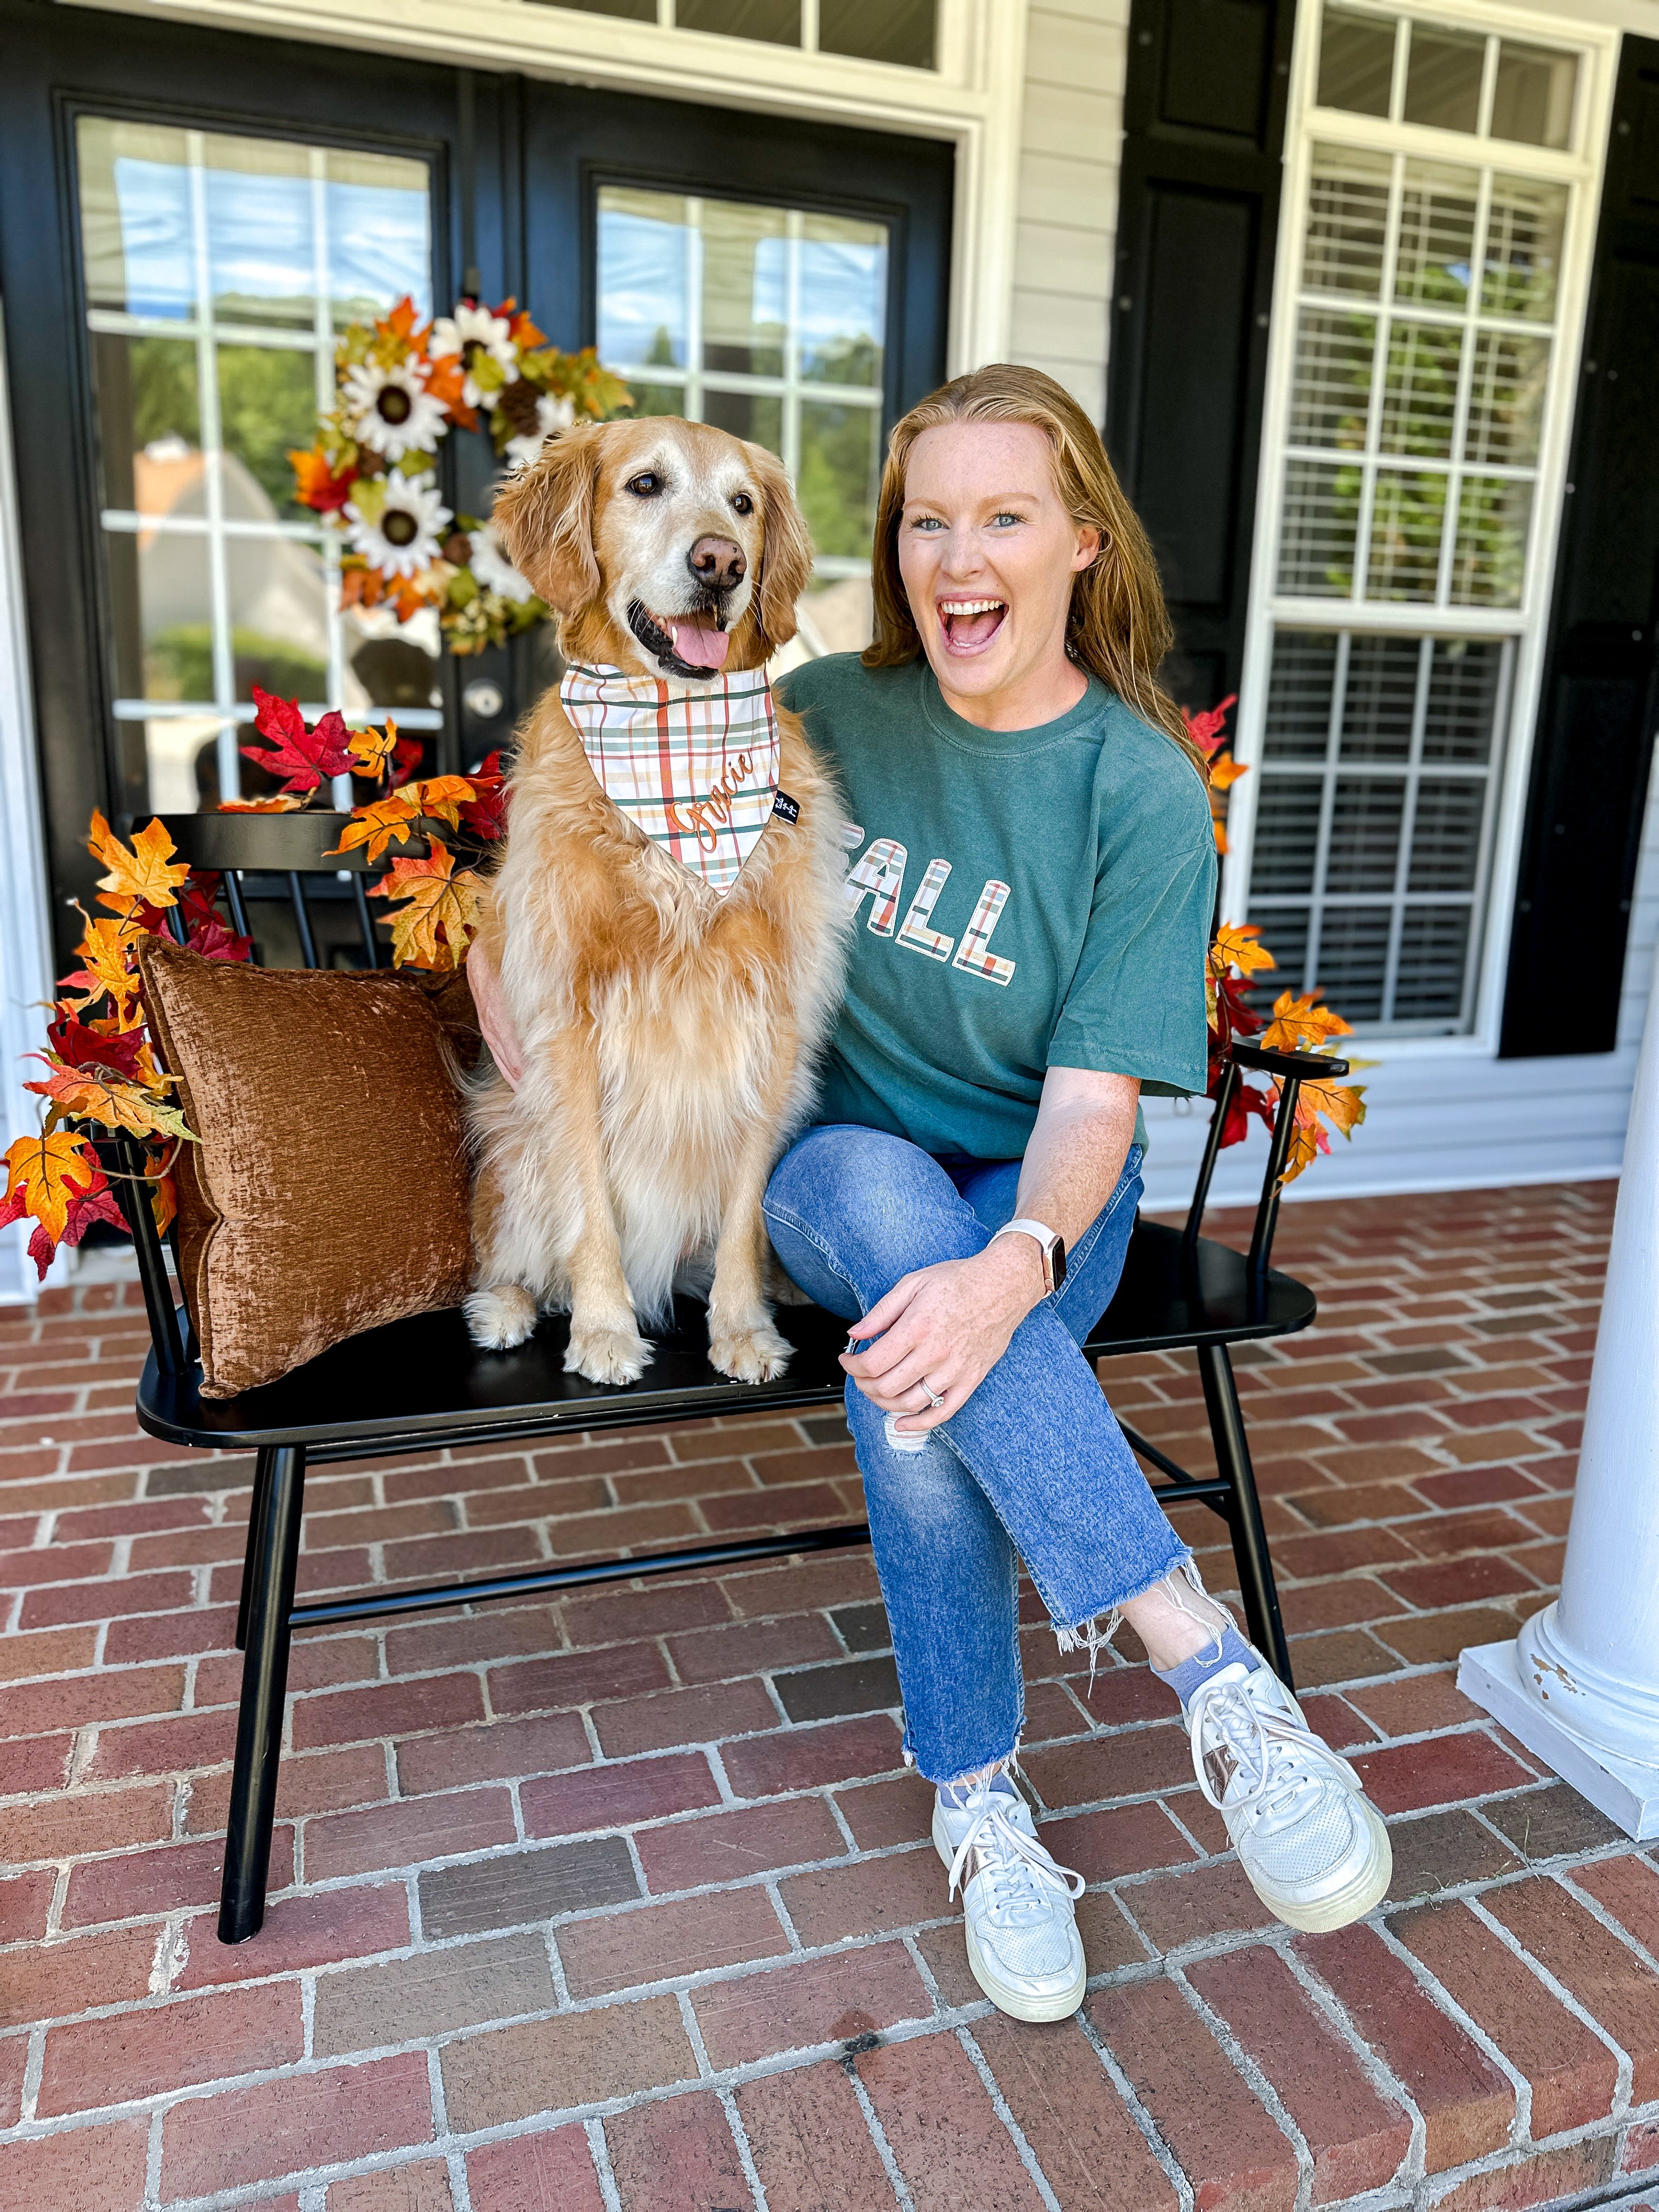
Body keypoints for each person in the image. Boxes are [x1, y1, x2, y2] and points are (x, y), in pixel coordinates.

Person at [467, 364, 1391, 2026]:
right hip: (836, 1173)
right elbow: (573, 847)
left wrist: (1013, 1263)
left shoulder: (1138, 790)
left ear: (1082, 543)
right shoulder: (814, 711)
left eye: (1004, 518)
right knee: (897, 1233)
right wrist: (511, 984)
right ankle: (1207, 1662)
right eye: (926, 523)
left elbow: (1093, 1105)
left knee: (922, 1370)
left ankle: (979, 1799)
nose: (958, 560)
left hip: (1044, 1194)